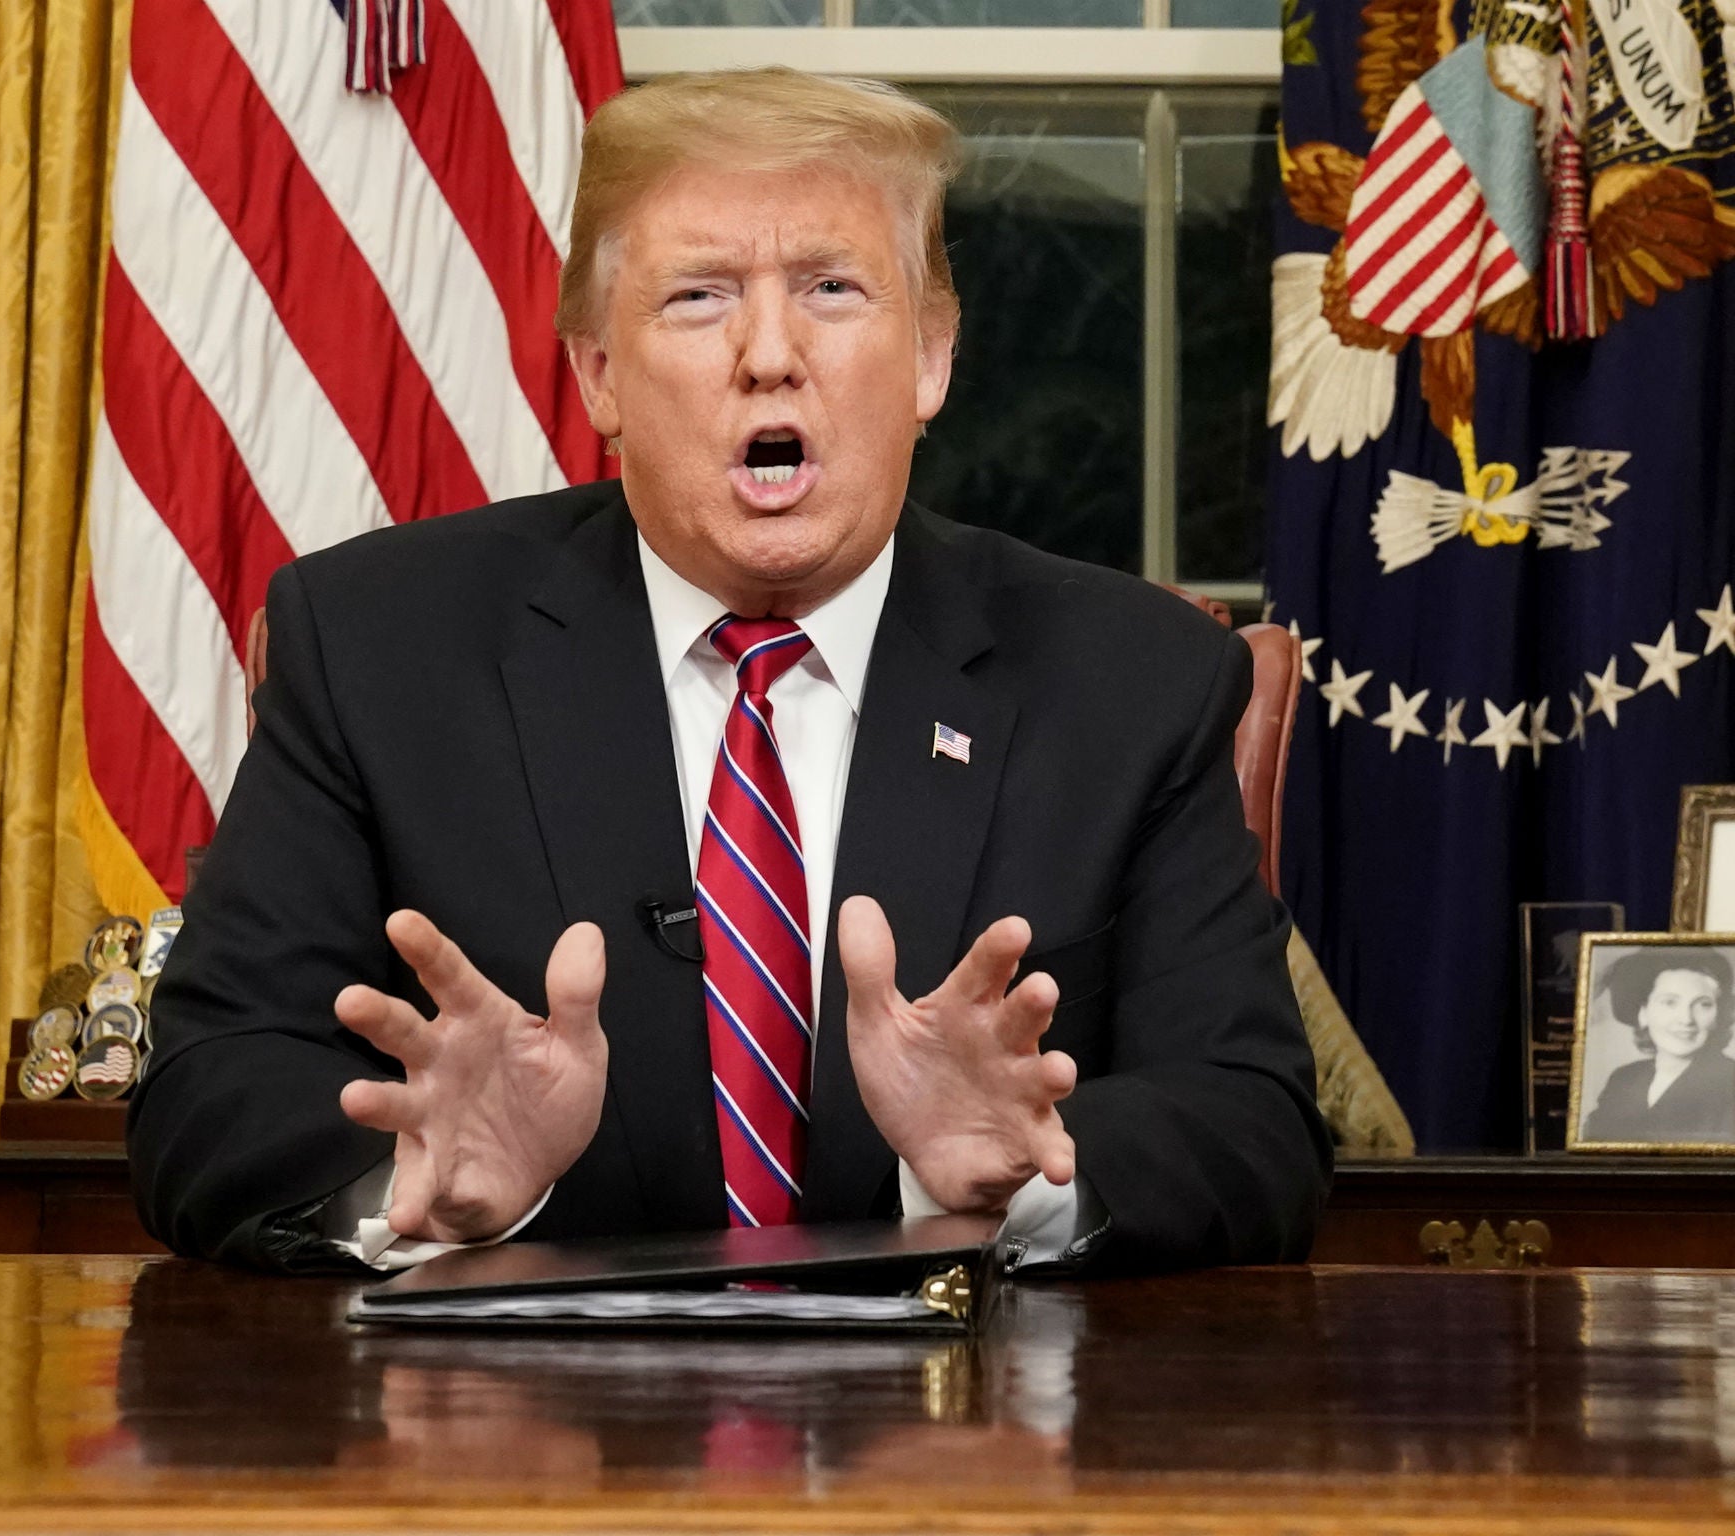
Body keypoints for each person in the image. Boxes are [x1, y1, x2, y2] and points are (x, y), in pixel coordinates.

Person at [127, 67, 1331, 1274]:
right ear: (598, 372)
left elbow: (1253, 1125)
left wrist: (1020, 1172)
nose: (769, 353)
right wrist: (413, 1190)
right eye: (699, 297)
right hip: (517, 1437)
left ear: (929, 359)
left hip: (970, 1436)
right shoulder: (378, 647)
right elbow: (203, 1092)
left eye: (831, 287)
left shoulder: (1131, 682)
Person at [1580, 947, 1735, 1144]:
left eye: (1703, 1004)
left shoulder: (1730, 1081)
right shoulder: (1624, 1079)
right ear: (1643, 1013)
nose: (1686, 1019)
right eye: (1669, 1002)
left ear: (1718, 1016)